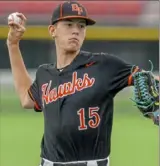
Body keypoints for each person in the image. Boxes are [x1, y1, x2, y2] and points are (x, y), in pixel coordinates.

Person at [6, 1, 159, 166]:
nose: (75, 31)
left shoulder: (104, 65)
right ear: (52, 30)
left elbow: (148, 80)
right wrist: (13, 45)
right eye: (69, 24)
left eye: (81, 26)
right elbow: (26, 99)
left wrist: (156, 112)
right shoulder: (45, 74)